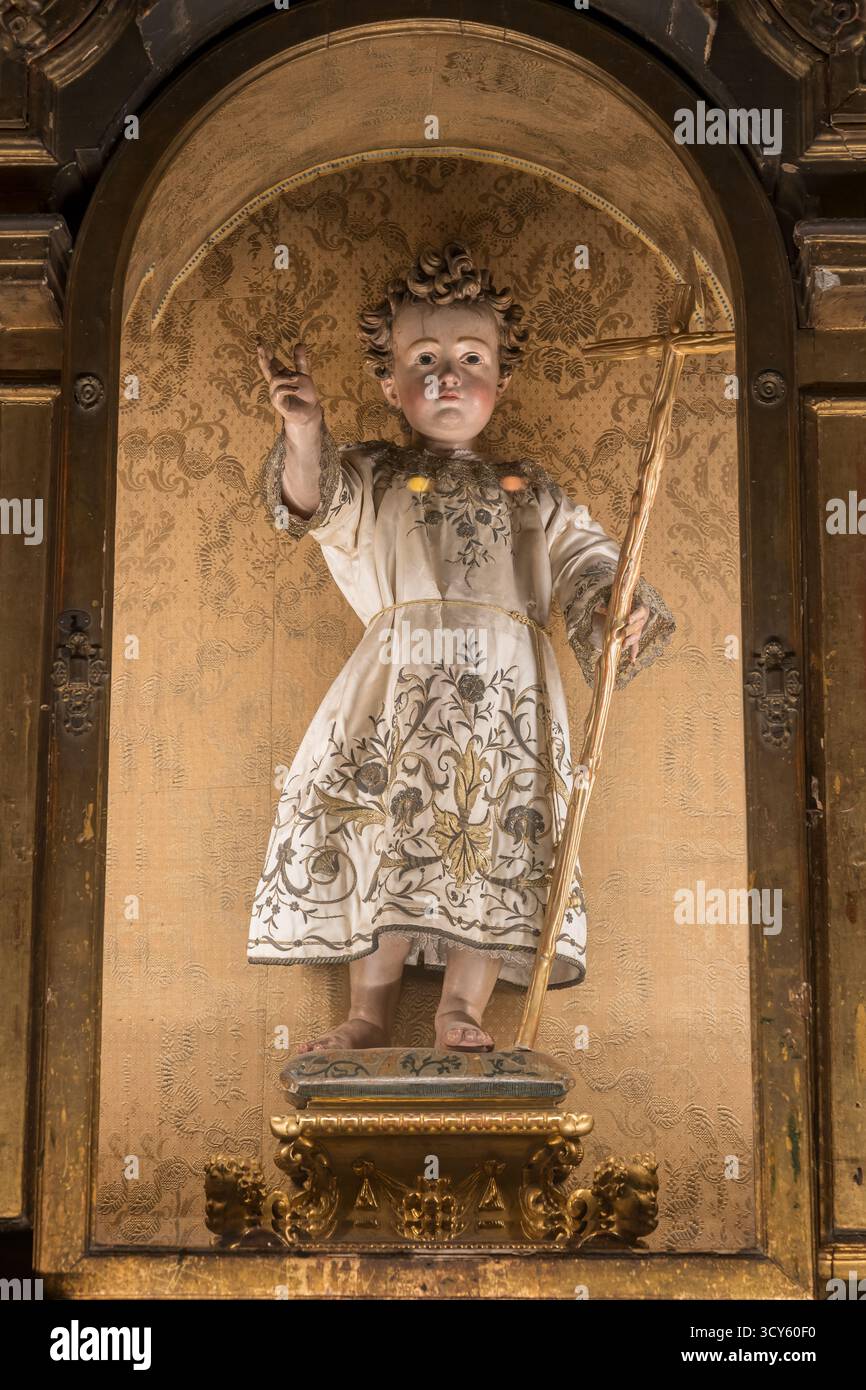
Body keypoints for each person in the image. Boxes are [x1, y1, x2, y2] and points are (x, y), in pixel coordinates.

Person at [248, 242, 675, 1053]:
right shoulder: (373, 476)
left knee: (498, 828)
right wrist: (303, 428)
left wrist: (619, 611)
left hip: (507, 696)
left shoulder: (533, 490)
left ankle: (461, 1009)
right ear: (391, 384)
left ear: (501, 380)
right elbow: (315, 501)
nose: (448, 375)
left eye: (470, 358)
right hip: (397, 688)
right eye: (426, 359)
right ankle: (368, 1011)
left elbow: (588, 564)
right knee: (383, 831)